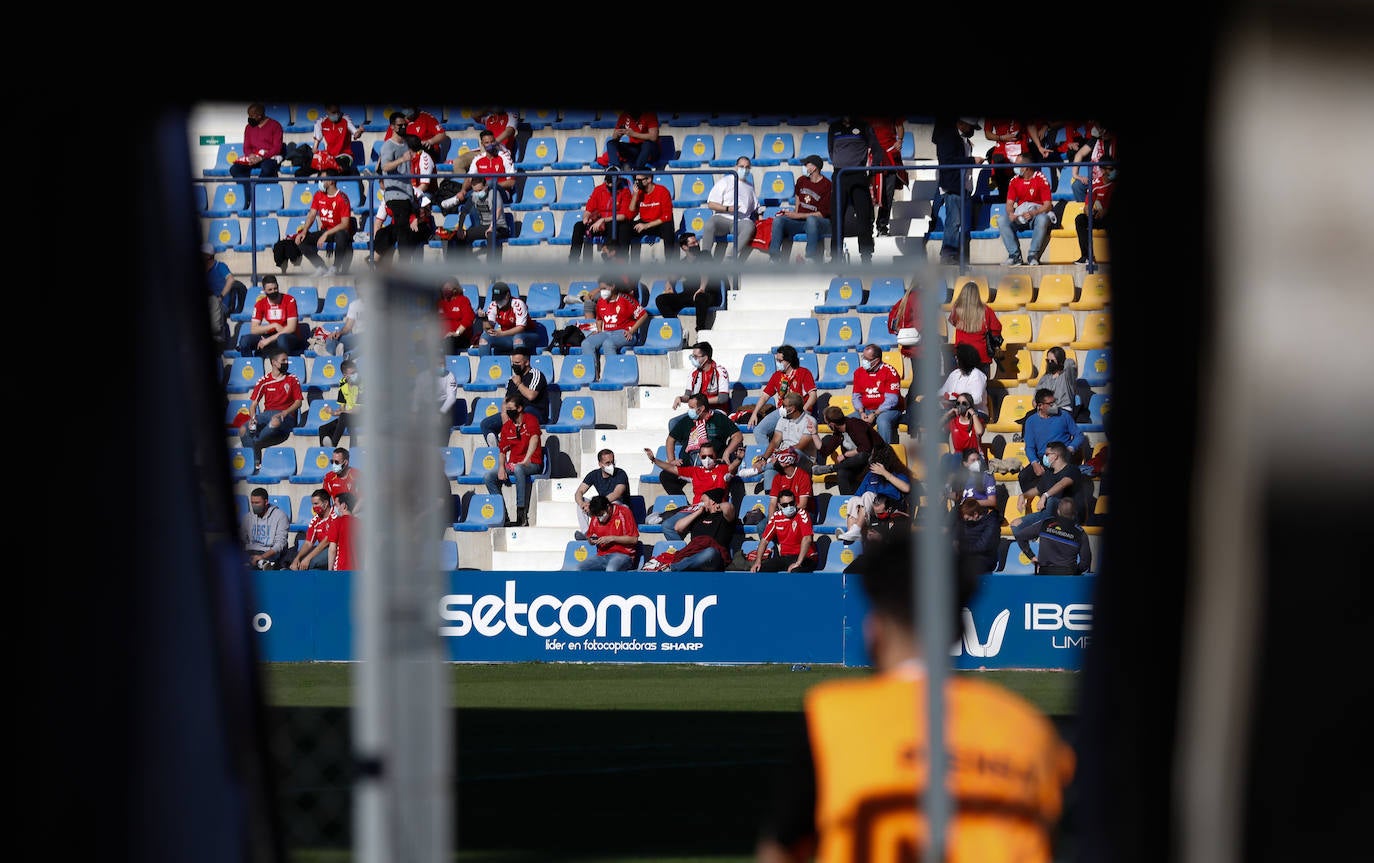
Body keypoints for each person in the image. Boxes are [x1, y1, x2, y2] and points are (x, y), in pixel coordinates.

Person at [754, 526, 1075, 862]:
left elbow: (780, 849)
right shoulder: (1032, 731)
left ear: (873, 631)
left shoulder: (828, 719)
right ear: (959, 631)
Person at [644, 439, 741, 538]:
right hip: (696, 509)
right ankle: (680, 547)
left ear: (715, 456)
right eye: (704, 457)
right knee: (668, 526)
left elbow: (732, 468)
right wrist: (654, 460)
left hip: (715, 509)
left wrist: (739, 459)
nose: (707, 459)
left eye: (710, 456)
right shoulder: (695, 471)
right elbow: (671, 468)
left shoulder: (722, 469)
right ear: (699, 456)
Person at [1012, 441, 1091, 549]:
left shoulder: (1072, 470)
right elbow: (1037, 489)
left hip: (1070, 516)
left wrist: (1045, 495)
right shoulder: (1049, 473)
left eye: (1047, 454)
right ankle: (1032, 554)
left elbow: (1063, 483)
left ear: (1055, 456)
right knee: (1016, 525)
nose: (1044, 457)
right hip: (1049, 517)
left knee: (1051, 501)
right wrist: (1023, 496)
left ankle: (1040, 532)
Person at [930, 117, 986, 265]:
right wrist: (972, 160)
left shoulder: (962, 139)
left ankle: (951, 253)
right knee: (954, 220)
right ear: (961, 124)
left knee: (957, 221)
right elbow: (947, 161)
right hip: (953, 184)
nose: (971, 130)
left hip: (962, 184)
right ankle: (948, 254)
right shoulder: (947, 137)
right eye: (970, 126)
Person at [641, 487, 737, 572]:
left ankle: (672, 567)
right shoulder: (698, 517)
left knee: (711, 552)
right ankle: (678, 565)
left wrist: (718, 506)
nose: (700, 502)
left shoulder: (723, 518)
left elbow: (729, 507)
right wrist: (697, 512)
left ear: (712, 502)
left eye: (703, 500)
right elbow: (677, 527)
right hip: (694, 553)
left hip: (712, 558)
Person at [826, 115, 880, 264]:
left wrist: (872, 171)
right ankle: (835, 258)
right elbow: (831, 151)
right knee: (837, 218)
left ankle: (866, 257)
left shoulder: (864, 126)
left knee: (864, 217)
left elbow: (877, 150)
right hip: (840, 175)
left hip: (858, 175)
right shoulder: (834, 127)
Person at [484, 394, 544, 527]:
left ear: (519, 408)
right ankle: (503, 516)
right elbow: (502, 451)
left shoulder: (531, 419)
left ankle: (521, 515)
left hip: (532, 462)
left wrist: (526, 459)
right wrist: (501, 467)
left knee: (518, 468)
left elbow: (534, 438)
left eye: (510, 409)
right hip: (514, 464)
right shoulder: (507, 426)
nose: (508, 412)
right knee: (489, 476)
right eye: (507, 409)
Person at [239, 348, 303, 471]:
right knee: (243, 429)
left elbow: (298, 402)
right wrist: (253, 418)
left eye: (287, 360)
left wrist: (285, 412)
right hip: (266, 414)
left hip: (287, 416)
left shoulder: (292, 379)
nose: (287, 363)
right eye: (283, 360)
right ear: (274, 362)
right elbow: (253, 404)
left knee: (275, 421)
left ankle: (254, 444)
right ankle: (255, 463)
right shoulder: (264, 381)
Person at [836, 442, 913, 543]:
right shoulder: (870, 475)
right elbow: (858, 496)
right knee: (853, 500)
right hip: (872, 510)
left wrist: (885, 473)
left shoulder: (897, 474)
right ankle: (852, 532)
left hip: (889, 508)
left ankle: (856, 531)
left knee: (868, 495)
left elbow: (906, 488)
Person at [746, 344, 818, 450]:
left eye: (780, 361)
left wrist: (802, 411)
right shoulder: (777, 375)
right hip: (782, 411)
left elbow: (813, 396)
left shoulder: (804, 373)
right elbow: (765, 396)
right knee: (759, 431)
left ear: (789, 361)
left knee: (792, 438)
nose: (778, 363)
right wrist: (754, 413)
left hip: (800, 411)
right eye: (777, 360)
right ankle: (768, 457)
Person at [375, 112, 424, 262]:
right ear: (392, 127)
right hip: (395, 194)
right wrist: (402, 159)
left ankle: (377, 251)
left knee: (401, 228)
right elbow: (385, 166)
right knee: (403, 230)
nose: (403, 127)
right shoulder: (388, 146)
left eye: (404, 125)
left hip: (406, 193)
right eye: (399, 125)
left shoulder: (406, 144)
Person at [657, 232, 730, 333]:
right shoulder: (683, 263)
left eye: (697, 242)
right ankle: (678, 330)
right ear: (684, 247)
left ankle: (700, 331)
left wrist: (702, 288)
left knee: (700, 297)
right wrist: (669, 285)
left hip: (707, 294)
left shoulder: (705, 255)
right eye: (693, 243)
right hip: (690, 295)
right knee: (661, 299)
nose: (697, 244)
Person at [580, 275, 650, 380]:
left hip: (624, 333)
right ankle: (593, 376)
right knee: (586, 343)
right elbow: (599, 319)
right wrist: (599, 330)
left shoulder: (626, 299)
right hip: (607, 332)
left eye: (604, 289)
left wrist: (631, 331)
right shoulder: (601, 301)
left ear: (612, 286)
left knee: (608, 344)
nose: (601, 292)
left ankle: (613, 375)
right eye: (600, 289)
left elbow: (643, 315)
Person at [1019, 388, 1087, 495]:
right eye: (1050, 404)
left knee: (1052, 477)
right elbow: (1030, 447)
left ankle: (1050, 499)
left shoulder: (1064, 416)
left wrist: (1070, 448)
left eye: (1054, 402)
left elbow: (1079, 435)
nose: (1054, 405)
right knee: (1023, 476)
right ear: (1040, 406)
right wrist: (1034, 463)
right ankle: (1038, 500)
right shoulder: (1031, 421)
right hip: (1043, 458)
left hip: (1062, 456)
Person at [478, 348, 549, 448]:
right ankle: (498, 448)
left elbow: (531, 396)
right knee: (486, 424)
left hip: (535, 413)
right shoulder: (512, 380)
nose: (514, 365)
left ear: (527, 362)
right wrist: (504, 415)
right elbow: (506, 401)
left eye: (517, 363)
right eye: (513, 363)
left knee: (525, 411)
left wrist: (519, 384)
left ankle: (513, 442)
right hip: (514, 413)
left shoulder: (536, 375)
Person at [663, 392, 746, 478]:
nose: (689, 411)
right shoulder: (686, 420)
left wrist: (727, 452)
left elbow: (738, 436)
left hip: (714, 463)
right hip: (688, 465)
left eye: (692, 408)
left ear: (701, 409)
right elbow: (670, 439)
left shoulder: (719, 419)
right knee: (666, 476)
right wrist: (672, 460)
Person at [768, 154, 833, 263]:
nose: (803, 167)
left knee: (811, 220)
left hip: (819, 223)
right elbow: (798, 197)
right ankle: (774, 259)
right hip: (801, 221)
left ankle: (810, 258)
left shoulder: (827, 185)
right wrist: (794, 214)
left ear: (814, 168)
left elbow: (822, 214)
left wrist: (797, 215)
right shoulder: (801, 180)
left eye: (806, 165)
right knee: (779, 220)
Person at [755, 393, 824, 494]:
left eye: (784, 406)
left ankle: (763, 469)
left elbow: (800, 446)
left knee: (795, 452)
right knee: (770, 470)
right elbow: (775, 441)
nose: (782, 408)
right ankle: (770, 496)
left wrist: (779, 455)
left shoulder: (809, 421)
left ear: (792, 409)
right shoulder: (783, 420)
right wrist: (764, 458)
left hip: (803, 459)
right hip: (783, 456)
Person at [812, 404, 887, 496]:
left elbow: (866, 448)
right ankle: (847, 500)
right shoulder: (838, 433)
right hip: (855, 465)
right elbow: (825, 451)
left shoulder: (856, 425)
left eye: (827, 423)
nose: (827, 426)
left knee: (862, 455)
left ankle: (832, 468)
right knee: (842, 472)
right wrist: (814, 434)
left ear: (832, 424)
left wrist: (845, 455)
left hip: (875, 460)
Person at [289, 176, 355, 277]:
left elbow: (345, 224)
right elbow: (312, 214)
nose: (320, 182)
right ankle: (321, 267)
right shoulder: (318, 195)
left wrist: (326, 234)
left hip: (339, 231)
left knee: (341, 235)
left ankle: (335, 267)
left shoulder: (342, 198)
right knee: (301, 240)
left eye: (323, 180)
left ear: (331, 181)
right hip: (326, 231)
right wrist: (304, 231)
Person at [999, 151, 1056, 266]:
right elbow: (1009, 203)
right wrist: (1011, 213)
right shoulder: (1014, 181)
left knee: (1043, 219)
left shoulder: (1041, 179)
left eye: (1017, 165)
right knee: (1002, 220)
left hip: (1036, 215)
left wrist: (1034, 213)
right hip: (1020, 216)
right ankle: (1015, 256)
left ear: (1026, 167)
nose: (1014, 167)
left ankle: (1033, 255)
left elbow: (1048, 205)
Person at [439, 174, 510, 263]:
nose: (478, 193)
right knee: (458, 235)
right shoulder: (474, 196)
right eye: (475, 191)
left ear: (486, 186)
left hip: (499, 226)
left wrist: (492, 226)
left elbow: (498, 210)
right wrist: (460, 228)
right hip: (484, 227)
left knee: (491, 234)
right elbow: (464, 212)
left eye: (480, 190)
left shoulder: (494, 193)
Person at [700, 156, 760, 260]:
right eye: (741, 166)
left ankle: (731, 257)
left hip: (740, 221)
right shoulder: (725, 181)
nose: (744, 169)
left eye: (747, 167)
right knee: (710, 223)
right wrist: (728, 208)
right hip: (722, 218)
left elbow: (756, 207)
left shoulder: (750, 187)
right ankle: (705, 257)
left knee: (749, 226)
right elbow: (711, 204)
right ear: (736, 167)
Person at [568, 168, 634, 262]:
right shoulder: (598, 190)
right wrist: (586, 218)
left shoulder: (625, 192)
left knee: (613, 225)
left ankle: (609, 254)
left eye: (612, 182)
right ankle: (573, 260)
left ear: (618, 180)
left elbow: (623, 216)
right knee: (578, 226)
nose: (610, 185)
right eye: (608, 182)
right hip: (597, 223)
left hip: (612, 222)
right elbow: (589, 209)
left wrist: (603, 220)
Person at [230, 102, 285, 212]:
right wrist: (250, 156)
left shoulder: (275, 126)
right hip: (253, 157)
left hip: (268, 157)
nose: (249, 118)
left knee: (267, 168)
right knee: (235, 169)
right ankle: (249, 195)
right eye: (249, 115)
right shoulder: (248, 128)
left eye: (252, 116)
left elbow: (277, 148)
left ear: (259, 116)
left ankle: (256, 193)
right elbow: (246, 147)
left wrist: (261, 157)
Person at [1017, 498, 1093, 574]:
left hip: (1045, 574)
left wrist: (1031, 556)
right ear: (1075, 513)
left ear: (1058, 511)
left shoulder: (1045, 524)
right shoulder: (1080, 533)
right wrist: (1075, 572)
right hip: (1068, 575)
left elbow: (1020, 536)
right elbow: (1085, 562)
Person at [235, 275, 305, 357]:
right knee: (245, 341)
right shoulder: (260, 304)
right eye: (270, 290)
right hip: (271, 335)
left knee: (282, 339)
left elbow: (291, 328)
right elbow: (254, 329)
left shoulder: (289, 300)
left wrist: (269, 340)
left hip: (289, 336)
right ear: (264, 290)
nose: (273, 292)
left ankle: (284, 363)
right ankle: (250, 363)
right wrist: (274, 325)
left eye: (275, 289)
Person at [751, 488, 818, 573]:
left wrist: (798, 563)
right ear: (779, 505)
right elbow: (764, 540)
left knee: (795, 571)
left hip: (806, 557)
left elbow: (807, 539)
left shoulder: (802, 514)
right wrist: (758, 561)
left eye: (791, 503)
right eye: (785, 505)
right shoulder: (776, 517)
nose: (789, 507)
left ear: (795, 503)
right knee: (760, 569)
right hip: (786, 557)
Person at [850, 343, 904, 444]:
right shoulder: (859, 372)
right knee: (848, 421)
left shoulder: (890, 372)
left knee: (883, 422)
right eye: (863, 357)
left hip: (888, 410)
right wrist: (861, 412)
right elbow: (856, 396)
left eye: (867, 359)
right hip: (866, 410)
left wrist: (875, 414)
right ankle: (858, 451)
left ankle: (885, 452)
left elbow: (892, 400)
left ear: (876, 361)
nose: (864, 361)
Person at [948, 279, 1003, 378]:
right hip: (982, 355)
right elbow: (996, 328)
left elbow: (952, 321)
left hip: (963, 355)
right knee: (982, 384)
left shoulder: (956, 310)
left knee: (963, 384)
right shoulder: (986, 310)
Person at [572, 449, 631, 540]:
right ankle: (587, 533)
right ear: (600, 464)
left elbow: (616, 494)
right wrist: (582, 504)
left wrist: (595, 505)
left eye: (612, 462)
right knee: (582, 501)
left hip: (618, 508)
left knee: (614, 503)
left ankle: (602, 533)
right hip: (602, 506)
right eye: (608, 463)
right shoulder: (594, 475)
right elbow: (579, 492)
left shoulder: (620, 474)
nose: (611, 465)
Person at [864, 116, 907, 237]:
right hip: (871, 157)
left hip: (889, 155)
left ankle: (882, 226)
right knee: (869, 194)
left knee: (888, 194)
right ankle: (868, 226)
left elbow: (899, 126)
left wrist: (900, 140)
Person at [301, 103, 364, 182]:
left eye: (338, 111)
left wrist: (359, 132)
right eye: (333, 112)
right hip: (329, 157)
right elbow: (315, 146)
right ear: (327, 111)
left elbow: (356, 134)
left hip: (344, 156)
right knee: (300, 173)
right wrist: (315, 153)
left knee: (330, 171)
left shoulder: (345, 119)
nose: (336, 114)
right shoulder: (321, 122)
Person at [576, 495, 640, 572]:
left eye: (601, 515)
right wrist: (592, 540)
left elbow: (634, 539)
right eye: (597, 516)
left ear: (608, 507)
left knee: (611, 569)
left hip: (623, 555)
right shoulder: (596, 515)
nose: (600, 518)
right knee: (579, 568)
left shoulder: (624, 512)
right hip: (601, 556)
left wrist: (612, 538)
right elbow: (590, 538)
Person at [476, 282, 537, 356]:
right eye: (496, 299)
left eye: (500, 299)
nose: (498, 302)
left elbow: (521, 328)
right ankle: (485, 362)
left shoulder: (518, 304)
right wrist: (484, 319)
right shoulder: (493, 305)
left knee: (518, 338)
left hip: (527, 335)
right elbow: (489, 329)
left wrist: (501, 333)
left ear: (507, 295)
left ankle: (520, 362)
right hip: (507, 337)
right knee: (484, 338)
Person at [627, 171, 677, 261]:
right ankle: (630, 264)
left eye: (639, 180)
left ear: (649, 179)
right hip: (645, 221)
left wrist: (646, 226)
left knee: (668, 226)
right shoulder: (639, 193)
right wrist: (635, 195)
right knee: (625, 228)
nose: (637, 183)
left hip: (659, 223)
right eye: (636, 180)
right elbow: (630, 214)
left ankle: (670, 263)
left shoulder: (662, 191)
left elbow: (667, 216)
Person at [204, 243, 246, 349]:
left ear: (208, 255)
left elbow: (230, 279)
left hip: (221, 302)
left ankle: (220, 343)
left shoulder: (220, 266)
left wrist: (221, 296)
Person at [671, 341, 730, 414]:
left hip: (716, 410)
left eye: (696, 357)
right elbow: (688, 396)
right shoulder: (693, 373)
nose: (693, 359)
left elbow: (723, 398)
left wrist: (701, 402)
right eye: (692, 356)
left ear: (706, 357)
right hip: (698, 410)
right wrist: (680, 398)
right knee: (674, 420)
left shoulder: (720, 371)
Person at [1076, 160, 1116, 264]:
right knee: (1080, 219)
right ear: (1102, 170)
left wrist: (1105, 211)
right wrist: (1090, 212)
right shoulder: (1095, 183)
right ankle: (1087, 257)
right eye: (1111, 169)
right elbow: (1087, 205)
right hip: (1099, 217)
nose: (1114, 171)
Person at [240, 487, 290, 570]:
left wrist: (262, 556)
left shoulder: (281, 516)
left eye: (257, 503)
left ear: (266, 502)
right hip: (250, 551)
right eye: (252, 503)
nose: (254, 506)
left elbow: (280, 543)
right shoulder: (248, 517)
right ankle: (262, 564)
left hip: (269, 552)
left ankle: (264, 563)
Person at [939, 343, 991, 422]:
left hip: (975, 413)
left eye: (958, 357)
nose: (956, 359)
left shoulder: (976, 374)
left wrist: (955, 400)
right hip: (954, 411)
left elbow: (977, 399)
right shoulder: (955, 373)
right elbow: (942, 392)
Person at [318, 358, 361, 448]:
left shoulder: (361, 385)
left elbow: (357, 410)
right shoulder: (342, 384)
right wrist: (332, 412)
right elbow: (342, 408)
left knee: (344, 417)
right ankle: (327, 452)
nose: (355, 375)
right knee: (323, 429)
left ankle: (333, 445)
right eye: (352, 373)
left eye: (356, 372)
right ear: (345, 375)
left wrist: (336, 413)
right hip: (348, 416)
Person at [383, 105, 450, 163]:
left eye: (408, 107)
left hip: (425, 153)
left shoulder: (426, 117)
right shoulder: (398, 121)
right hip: (404, 155)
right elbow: (388, 143)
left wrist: (429, 142)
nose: (406, 110)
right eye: (404, 107)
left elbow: (442, 134)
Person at [288, 489, 334, 571]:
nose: (314, 507)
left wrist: (308, 558)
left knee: (312, 562)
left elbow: (327, 541)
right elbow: (308, 543)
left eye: (316, 504)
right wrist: (297, 559)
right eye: (313, 504)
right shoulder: (315, 520)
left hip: (335, 549)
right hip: (323, 549)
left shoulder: (335, 515)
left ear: (326, 503)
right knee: (297, 561)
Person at [954, 495, 1001, 576]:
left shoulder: (992, 523)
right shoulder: (967, 521)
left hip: (984, 558)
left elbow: (982, 546)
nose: (966, 522)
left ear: (975, 514)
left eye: (967, 519)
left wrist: (961, 547)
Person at [984, 117, 1029, 202]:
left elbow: (1031, 125)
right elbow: (987, 133)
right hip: (1001, 153)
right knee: (1003, 189)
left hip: (1021, 152)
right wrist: (1001, 138)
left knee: (1024, 186)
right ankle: (1004, 204)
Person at [764, 447, 815, 522]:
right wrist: (770, 522)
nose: (773, 462)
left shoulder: (803, 476)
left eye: (779, 459)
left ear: (787, 462)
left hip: (802, 512)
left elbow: (803, 505)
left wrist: (786, 516)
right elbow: (772, 503)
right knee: (762, 526)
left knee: (788, 524)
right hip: (783, 512)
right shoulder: (777, 478)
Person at [413, 358, 462, 432]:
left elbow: (451, 397)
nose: (441, 366)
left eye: (443, 364)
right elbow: (416, 396)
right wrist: (414, 411)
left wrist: (441, 412)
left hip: (443, 405)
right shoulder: (422, 376)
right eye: (438, 364)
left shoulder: (450, 376)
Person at [942, 391, 988, 471]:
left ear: (969, 406)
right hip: (958, 458)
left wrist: (973, 414)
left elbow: (980, 431)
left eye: (964, 403)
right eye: (958, 403)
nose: (960, 405)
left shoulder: (975, 420)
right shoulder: (953, 422)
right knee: (947, 457)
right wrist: (947, 414)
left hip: (974, 456)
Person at [438, 279, 477, 355]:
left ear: (455, 289)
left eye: (448, 288)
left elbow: (468, 319)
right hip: (441, 337)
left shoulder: (463, 300)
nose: (445, 290)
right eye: (444, 288)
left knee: (449, 342)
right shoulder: (439, 303)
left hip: (459, 337)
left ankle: (448, 361)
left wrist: (457, 333)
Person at [325, 285, 365, 359]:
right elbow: (347, 327)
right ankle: (331, 352)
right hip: (357, 337)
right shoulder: (354, 305)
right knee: (331, 338)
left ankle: (340, 356)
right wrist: (339, 333)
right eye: (359, 289)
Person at [322, 446, 362, 513]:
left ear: (345, 462)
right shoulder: (329, 477)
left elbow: (363, 499)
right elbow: (325, 500)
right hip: (337, 512)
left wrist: (350, 514)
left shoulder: (357, 475)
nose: (334, 465)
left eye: (336, 462)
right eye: (332, 462)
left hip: (356, 512)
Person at [326, 491, 357, 571]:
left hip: (341, 569)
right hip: (358, 570)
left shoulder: (336, 522)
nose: (334, 508)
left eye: (336, 505)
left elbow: (332, 549)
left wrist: (330, 570)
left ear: (343, 505)